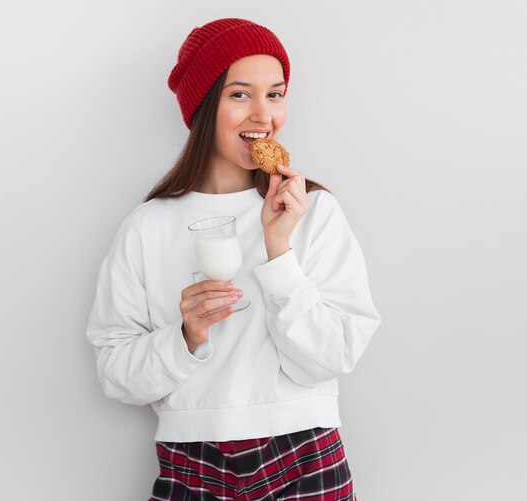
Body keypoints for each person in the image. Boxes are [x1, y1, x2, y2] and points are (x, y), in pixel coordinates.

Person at [86, 17, 381, 500]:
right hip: (192, 458)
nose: (264, 115)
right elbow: (116, 373)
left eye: (276, 94)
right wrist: (186, 336)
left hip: (306, 452)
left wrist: (278, 251)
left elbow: (333, 357)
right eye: (240, 95)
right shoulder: (149, 226)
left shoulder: (313, 212)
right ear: (205, 105)